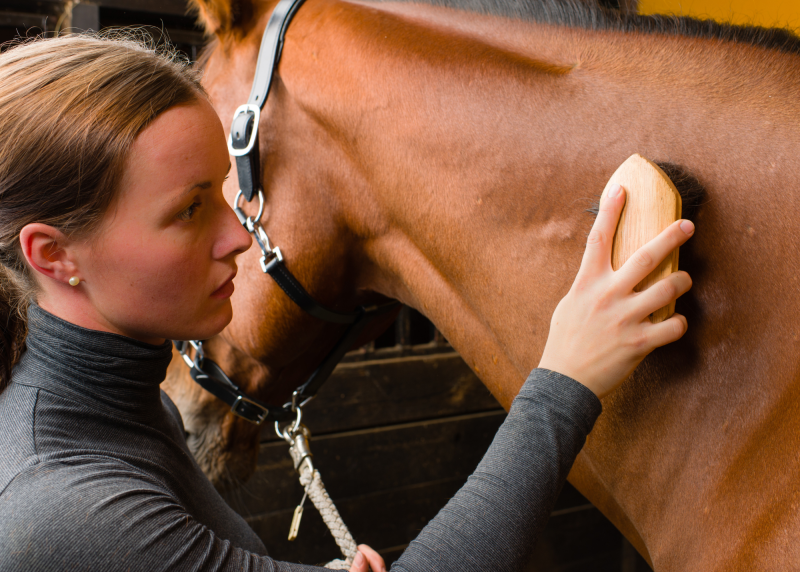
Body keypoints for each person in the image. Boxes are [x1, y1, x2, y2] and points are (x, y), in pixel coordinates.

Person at [0, 34, 694, 572]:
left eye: (221, 190)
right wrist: (565, 379)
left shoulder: (123, 407)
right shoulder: (60, 506)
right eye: (187, 210)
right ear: (53, 255)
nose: (238, 236)